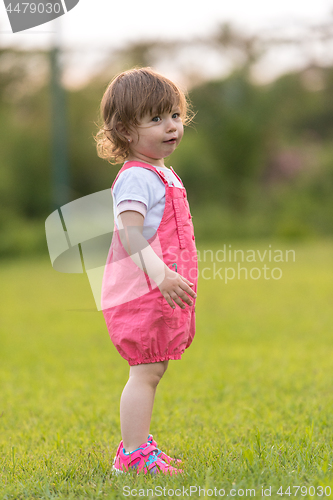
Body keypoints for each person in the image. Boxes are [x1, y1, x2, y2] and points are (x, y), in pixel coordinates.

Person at [96, 67, 198, 475]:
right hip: (142, 291)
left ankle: (137, 447)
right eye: (155, 119)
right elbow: (130, 233)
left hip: (158, 288)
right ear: (124, 131)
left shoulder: (160, 172)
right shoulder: (137, 178)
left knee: (154, 367)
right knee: (146, 370)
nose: (170, 126)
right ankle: (134, 455)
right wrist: (160, 275)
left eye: (173, 114)